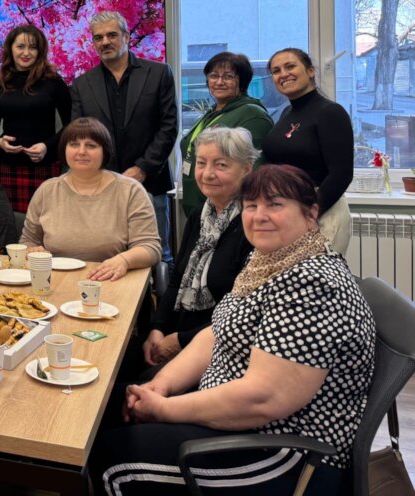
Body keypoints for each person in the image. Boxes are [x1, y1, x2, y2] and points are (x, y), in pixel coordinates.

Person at [92, 164, 375, 495]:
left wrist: (166, 409)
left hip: (285, 453)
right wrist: (161, 385)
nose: (259, 216)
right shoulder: (268, 260)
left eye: (275, 204)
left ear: (311, 213)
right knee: (107, 411)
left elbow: (263, 398)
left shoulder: (312, 283)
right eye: (252, 205)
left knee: (110, 456)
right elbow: (216, 333)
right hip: (236, 421)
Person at [69, 11, 178, 263]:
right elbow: (79, 134)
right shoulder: (82, 84)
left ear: (127, 36)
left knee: (158, 256)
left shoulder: (159, 73)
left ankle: (158, 303)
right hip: (100, 184)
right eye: (98, 38)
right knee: (106, 254)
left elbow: (168, 126)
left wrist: (142, 169)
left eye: (111, 35)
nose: (105, 42)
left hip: (149, 182)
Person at [145, 127, 257, 370]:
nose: (207, 174)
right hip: (178, 333)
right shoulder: (200, 215)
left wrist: (180, 341)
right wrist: (157, 329)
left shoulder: (254, 225)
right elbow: (177, 278)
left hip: (221, 352)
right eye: (201, 163)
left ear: (246, 169)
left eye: (221, 165)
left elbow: (245, 313)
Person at [21, 118, 161, 280]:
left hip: (113, 280)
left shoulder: (130, 190)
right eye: (74, 144)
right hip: (55, 282)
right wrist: (32, 250)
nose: (81, 152)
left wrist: (124, 260)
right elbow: (28, 241)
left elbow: (150, 248)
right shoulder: (47, 190)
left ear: (105, 151)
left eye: (91, 145)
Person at [263, 47, 353, 253]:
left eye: (290, 66)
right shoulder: (286, 113)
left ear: (311, 71)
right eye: (276, 71)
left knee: (313, 283)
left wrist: (310, 213)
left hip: (322, 213)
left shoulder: (330, 112)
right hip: (288, 211)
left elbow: (341, 174)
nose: (283, 74)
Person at [0, 24, 72, 212]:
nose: (26, 53)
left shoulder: (54, 81)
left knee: (47, 222)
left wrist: (46, 146)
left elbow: (71, 125)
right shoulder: (0, 84)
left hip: (45, 164)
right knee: (12, 224)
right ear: (10, 49)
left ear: (40, 51)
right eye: (20, 47)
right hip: (8, 166)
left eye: (32, 47)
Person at [179, 52, 273, 218]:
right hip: (201, 210)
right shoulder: (214, 112)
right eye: (214, 76)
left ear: (243, 82)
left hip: (229, 213)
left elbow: (255, 172)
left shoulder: (252, 115)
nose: (219, 82)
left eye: (228, 77)